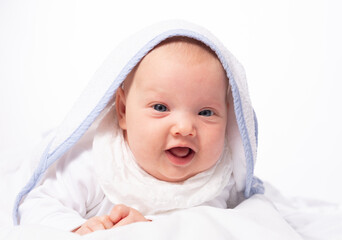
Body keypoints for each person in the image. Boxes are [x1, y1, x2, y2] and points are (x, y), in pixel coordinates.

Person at [15, 21, 263, 235]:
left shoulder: (223, 179)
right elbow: (38, 204)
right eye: (160, 108)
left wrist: (151, 227)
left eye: (206, 112)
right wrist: (77, 228)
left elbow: (236, 225)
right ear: (122, 111)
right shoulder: (97, 161)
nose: (185, 128)